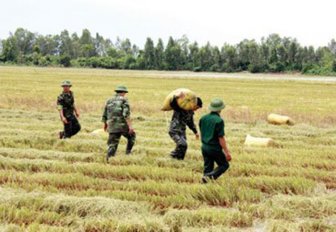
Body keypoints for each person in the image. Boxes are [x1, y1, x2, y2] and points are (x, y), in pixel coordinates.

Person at [199, 98, 232, 183]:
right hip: (214, 148)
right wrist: (227, 152)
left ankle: (205, 185)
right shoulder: (219, 121)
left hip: (204, 147)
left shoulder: (203, 118)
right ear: (220, 109)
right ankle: (208, 177)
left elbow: (202, 133)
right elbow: (221, 138)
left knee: (208, 167)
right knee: (224, 165)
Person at [102, 85, 136, 162]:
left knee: (112, 144)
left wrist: (105, 125)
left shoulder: (109, 100)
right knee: (132, 136)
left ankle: (108, 160)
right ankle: (128, 153)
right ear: (124, 92)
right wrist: (130, 126)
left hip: (112, 125)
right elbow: (126, 114)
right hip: (122, 126)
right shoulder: (124, 100)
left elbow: (105, 114)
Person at [169, 92, 202, 160]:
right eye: (197, 107)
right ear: (193, 104)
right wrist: (177, 97)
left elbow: (190, 123)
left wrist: (196, 132)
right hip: (174, 130)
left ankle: (179, 160)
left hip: (182, 131)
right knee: (182, 144)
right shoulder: (181, 108)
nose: (196, 109)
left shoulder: (190, 112)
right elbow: (173, 104)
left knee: (183, 147)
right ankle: (172, 156)